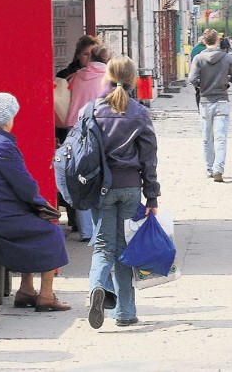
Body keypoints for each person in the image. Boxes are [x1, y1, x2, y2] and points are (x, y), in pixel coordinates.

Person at [0, 93, 71, 312]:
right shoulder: (1, 145)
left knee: (32, 222)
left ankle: (26, 290)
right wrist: (41, 205)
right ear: (9, 119)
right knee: (50, 231)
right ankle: (46, 296)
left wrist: (35, 206)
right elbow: (24, 185)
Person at [87, 56, 160, 329]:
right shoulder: (139, 113)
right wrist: (151, 196)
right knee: (125, 249)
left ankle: (97, 287)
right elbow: (149, 159)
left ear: (106, 77)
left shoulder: (91, 110)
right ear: (132, 80)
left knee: (105, 246)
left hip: (100, 189)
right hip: (130, 188)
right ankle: (126, 313)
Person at [64, 45, 111, 241]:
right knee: (102, 178)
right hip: (100, 130)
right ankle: (101, 226)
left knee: (79, 177)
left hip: (74, 130)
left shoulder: (75, 76)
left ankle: (85, 231)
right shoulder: (108, 78)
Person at [55, 35, 101, 231]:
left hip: (95, 129)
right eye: (85, 54)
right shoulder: (66, 75)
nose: (88, 58)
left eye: (92, 54)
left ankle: (87, 223)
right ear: (78, 55)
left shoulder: (101, 74)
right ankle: (76, 219)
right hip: (71, 131)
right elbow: (60, 107)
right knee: (74, 173)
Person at [188, 28, 232, 182]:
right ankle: (219, 168)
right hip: (222, 101)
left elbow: (192, 79)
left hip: (205, 101)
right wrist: (225, 79)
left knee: (206, 137)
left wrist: (202, 85)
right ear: (218, 40)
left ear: (204, 41)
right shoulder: (227, 58)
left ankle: (209, 169)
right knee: (221, 137)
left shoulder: (198, 58)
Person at [190, 36, 206, 109]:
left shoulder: (195, 49)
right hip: (208, 74)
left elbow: (192, 61)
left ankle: (199, 108)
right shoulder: (208, 49)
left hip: (198, 74)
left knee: (198, 92)